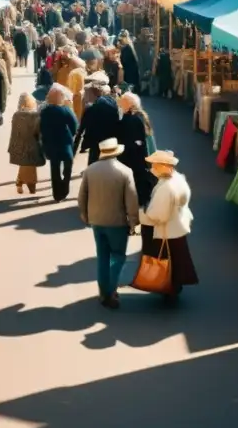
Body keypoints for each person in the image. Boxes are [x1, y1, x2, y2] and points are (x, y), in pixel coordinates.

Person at [78, 138, 139, 309]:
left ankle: (103, 290)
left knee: (102, 257)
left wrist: (85, 215)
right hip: (117, 222)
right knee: (118, 256)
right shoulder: (125, 171)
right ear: (117, 152)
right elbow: (132, 200)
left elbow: (82, 196)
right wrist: (134, 221)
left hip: (96, 221)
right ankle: (110, 291)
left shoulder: (90, 170)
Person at [138, 150, 199, 301]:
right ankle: (174, 288)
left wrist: (141, 214)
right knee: (178, 260)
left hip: (166, 230)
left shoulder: (165, 188)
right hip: (177, 226)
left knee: (166, 261)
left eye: (154, 165)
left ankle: (168, 289)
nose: (152, 167)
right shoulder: (179, 179)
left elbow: (158, 215)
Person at [39, 83, 79, 202]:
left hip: (51, 143)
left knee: (54, 168)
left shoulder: (44, 111)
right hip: (65, 142)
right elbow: (74, 126)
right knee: (68, 167)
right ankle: (64, 189)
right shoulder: (66, 110)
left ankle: (57, 194)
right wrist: (70, 135)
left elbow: (41, 127)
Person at [117, 91, 157, 208]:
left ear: (129, 104)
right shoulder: (141, 116)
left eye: (122, 103)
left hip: (136, 160)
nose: (120, 105)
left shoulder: (132, 120)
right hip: (144, 158)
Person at [75, 81, 120, 164]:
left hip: (94, 141)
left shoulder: (90, 108)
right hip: (109, 140)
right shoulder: (113, 104)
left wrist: (74, 152)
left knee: (93, 162)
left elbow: (80, 131)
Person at [8, 93, 45, 193]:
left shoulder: (16, 115)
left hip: (18, 145)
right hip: (31, 145)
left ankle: (19, 182)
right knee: (31, 166)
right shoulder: (34, 115)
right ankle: (31, 187)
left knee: (23, 164)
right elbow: (38, 131)